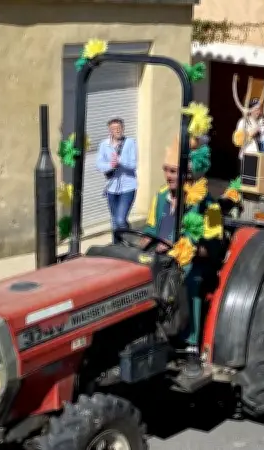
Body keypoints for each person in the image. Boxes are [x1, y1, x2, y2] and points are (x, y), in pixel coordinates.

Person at [143, 136, 224, 352]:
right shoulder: (160, 197)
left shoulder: (209, 204)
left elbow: (215, 247)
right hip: (161, 258)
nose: (168, 176)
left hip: (195, 262)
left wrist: (185, 249)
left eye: (173, 171)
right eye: (166, 170)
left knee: (186, 276)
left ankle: (190, 341)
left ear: (186, 174)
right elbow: (150, 231)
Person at [96, 118, 138, 244]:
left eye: (119, 128)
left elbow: (133, 164)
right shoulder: (104, 145)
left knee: (120, 219)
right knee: (114, 220)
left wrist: (120, 161)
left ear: (123, 128)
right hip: (111, 187)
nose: (117, 131)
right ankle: (117, 245)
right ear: (110, 131)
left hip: (128, 187)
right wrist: (111, 165)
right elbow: (99, 164)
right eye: (114, 129)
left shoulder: (130, 143)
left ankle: (127, 239)